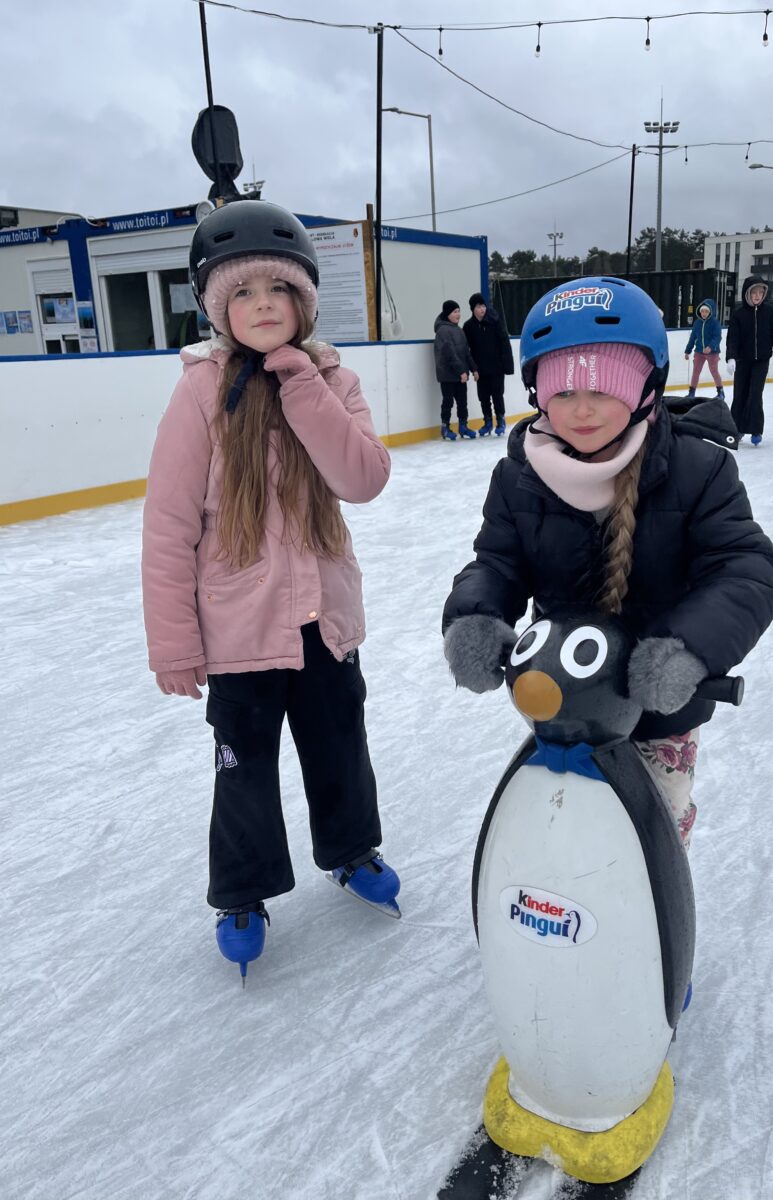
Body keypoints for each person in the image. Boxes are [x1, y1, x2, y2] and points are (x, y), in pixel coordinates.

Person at [141, 201, 400, 978]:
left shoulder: (333, 380)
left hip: (322, 623)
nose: (262, 304)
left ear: (304, 303)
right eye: (243, 290)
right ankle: (243, 893)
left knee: (340, 749)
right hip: (238, 633)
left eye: (277, 290)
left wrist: (301, 382)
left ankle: (352, 851)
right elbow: (168, 527)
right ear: (219, 307)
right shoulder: (199, 394)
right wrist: (175, 644)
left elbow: (362, 479)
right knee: (243, 770)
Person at [442, 277, 773, 850]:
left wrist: (686, 650)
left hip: (659, 711)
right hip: (562, 703)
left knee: (650, 842)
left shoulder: (699, 471)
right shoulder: (519, 476)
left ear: (645, 387)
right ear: (538, 394)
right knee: (565, 833)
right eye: (564, 392)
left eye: (603, 389)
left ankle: (650, 930)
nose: (582, 410)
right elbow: (497, 562)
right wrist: (475, 617)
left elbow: (745, 568)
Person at [725, 275, 773, 446]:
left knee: (755, 394)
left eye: (761, 292)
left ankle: (756, 429)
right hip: (743, 360)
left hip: (762, 360)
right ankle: (736, 428)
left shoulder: (769, 312)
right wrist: (731, 357)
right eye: (754, 292)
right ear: (747, 294)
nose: (757, 295)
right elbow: (733, 339)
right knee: (740, 394)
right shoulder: (739, 315)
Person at [463, 291, 514, 437]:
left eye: (483, 306)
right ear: (473, 309)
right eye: (478, 307)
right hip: (480, 368)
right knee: (483, 397)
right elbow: (468, 349)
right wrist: (473, 369)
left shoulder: (495, 321)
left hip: (497, 366)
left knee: (497, 395)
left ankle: (500, 420)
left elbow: (504, 342)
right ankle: (487, 422)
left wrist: (506, 365)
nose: (482, 309)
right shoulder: (468, 326)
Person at [434, 300, 478, 440]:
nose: (458, 314)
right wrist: (461, 371)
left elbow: (466, 352)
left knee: (462, 402)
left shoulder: (459, 330)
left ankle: (463, 426)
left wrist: (474, 369)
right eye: (455, 311)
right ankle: (445, 427)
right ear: (448, 314)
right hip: (448, 375)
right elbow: (450, 354)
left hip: (461, 374)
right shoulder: (443, 331)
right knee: (448, 401)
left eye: (459, 311)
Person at [683, 298, 725, 401]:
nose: (704, 313)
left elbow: (717, 337)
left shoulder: (715, 323)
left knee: (714, 371)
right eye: (702, 311)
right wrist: (687, 351)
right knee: (696, 371)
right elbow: (693, 337)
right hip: (699, 352)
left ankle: (721, 393)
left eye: (706, 311)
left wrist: (710, 347)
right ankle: (691, 393)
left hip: (713, 352)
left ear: (710, 312)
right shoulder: (697, 323)